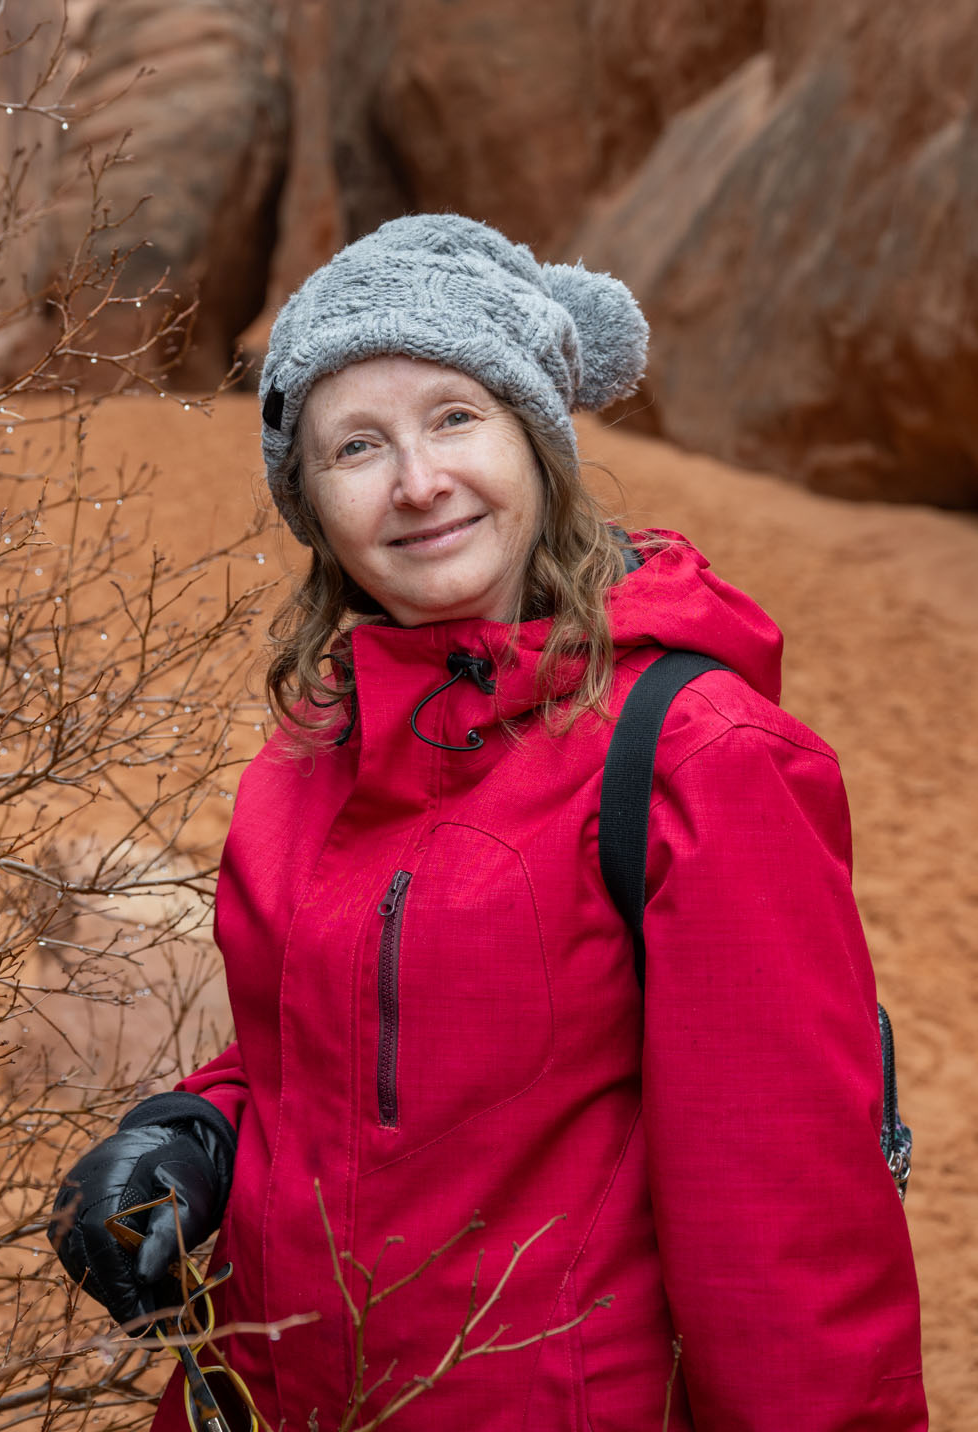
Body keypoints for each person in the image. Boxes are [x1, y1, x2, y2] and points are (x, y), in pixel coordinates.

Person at [49, 215, 926, 1430]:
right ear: (311, 503)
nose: (417, 483)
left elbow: (789, 1240)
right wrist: (193, 1134)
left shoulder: (700, 758)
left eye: (455, 416)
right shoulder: (315, 752)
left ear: (536, 440)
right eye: (357, 446)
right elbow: (319, 1061)